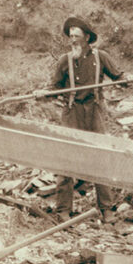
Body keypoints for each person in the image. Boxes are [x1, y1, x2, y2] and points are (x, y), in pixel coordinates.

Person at [50, 16, 127, 223]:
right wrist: (45, 92)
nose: (73, 40)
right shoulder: (64, 61)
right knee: (67, 158)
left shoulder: (101, 57)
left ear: (87, 38)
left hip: (94, 111)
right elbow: (54, 87)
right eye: (70, 36)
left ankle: (107, 209)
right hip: (71, 111)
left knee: (100, 157)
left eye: (77, 36)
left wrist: (126, 80)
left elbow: (118, 76)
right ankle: (63, 210)